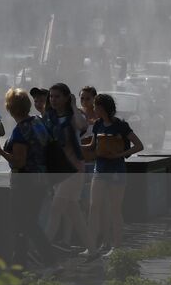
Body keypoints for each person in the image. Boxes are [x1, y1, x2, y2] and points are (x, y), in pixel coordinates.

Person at [0, 87, 56, 267]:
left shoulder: (20, 131)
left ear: (11, 108)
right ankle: (20, 263)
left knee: (24, 223)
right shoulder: (37, 122)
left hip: (25, 184)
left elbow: (19, 161)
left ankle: (48, 261)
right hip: (41, 181)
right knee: (27, 223)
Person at [85, 93, 144, 258]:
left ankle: (116, 247)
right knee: (94, 207)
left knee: (115, 209)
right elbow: (93, 145)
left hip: (116, 170)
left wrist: (120, 155)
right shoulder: (98, 124)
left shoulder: (121, 125)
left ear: (102, 108)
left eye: (95, 106)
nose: (93, 109)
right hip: (100, 169)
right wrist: (78, 146)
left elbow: (139, 145)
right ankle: (92, 246)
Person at [43, 82, 88, 250]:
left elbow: (82, 126)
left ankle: (44, 249)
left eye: (57, 96)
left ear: (67, 98)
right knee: (74, 213)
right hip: (58, 169)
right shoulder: (49, 117)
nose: (53, 100)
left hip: (74, 169)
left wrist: (74, 106)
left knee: (56, 209)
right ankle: (92, 249)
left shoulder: (73, 116)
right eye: (51, 96)